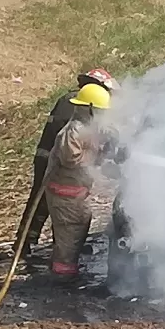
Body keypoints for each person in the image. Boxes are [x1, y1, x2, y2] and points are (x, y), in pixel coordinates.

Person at [19, 68, 117, 261]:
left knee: (56, 207)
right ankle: (24, 244)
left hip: (57, 157)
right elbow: (76, 141)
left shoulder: (73, 99)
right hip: (54, 160)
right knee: (46, 203)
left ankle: (59, 245)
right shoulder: (77, 104)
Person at [39, 83, 113, 285]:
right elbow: (72, 160)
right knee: (70, 234)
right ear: (89, 108)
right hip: (64, 194)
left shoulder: (87, 128)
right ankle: (63, 278)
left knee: (79, 225)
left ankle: (62, 265)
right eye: (100, 110)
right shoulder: (73, 131)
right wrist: (98, 159)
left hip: (74, 193)